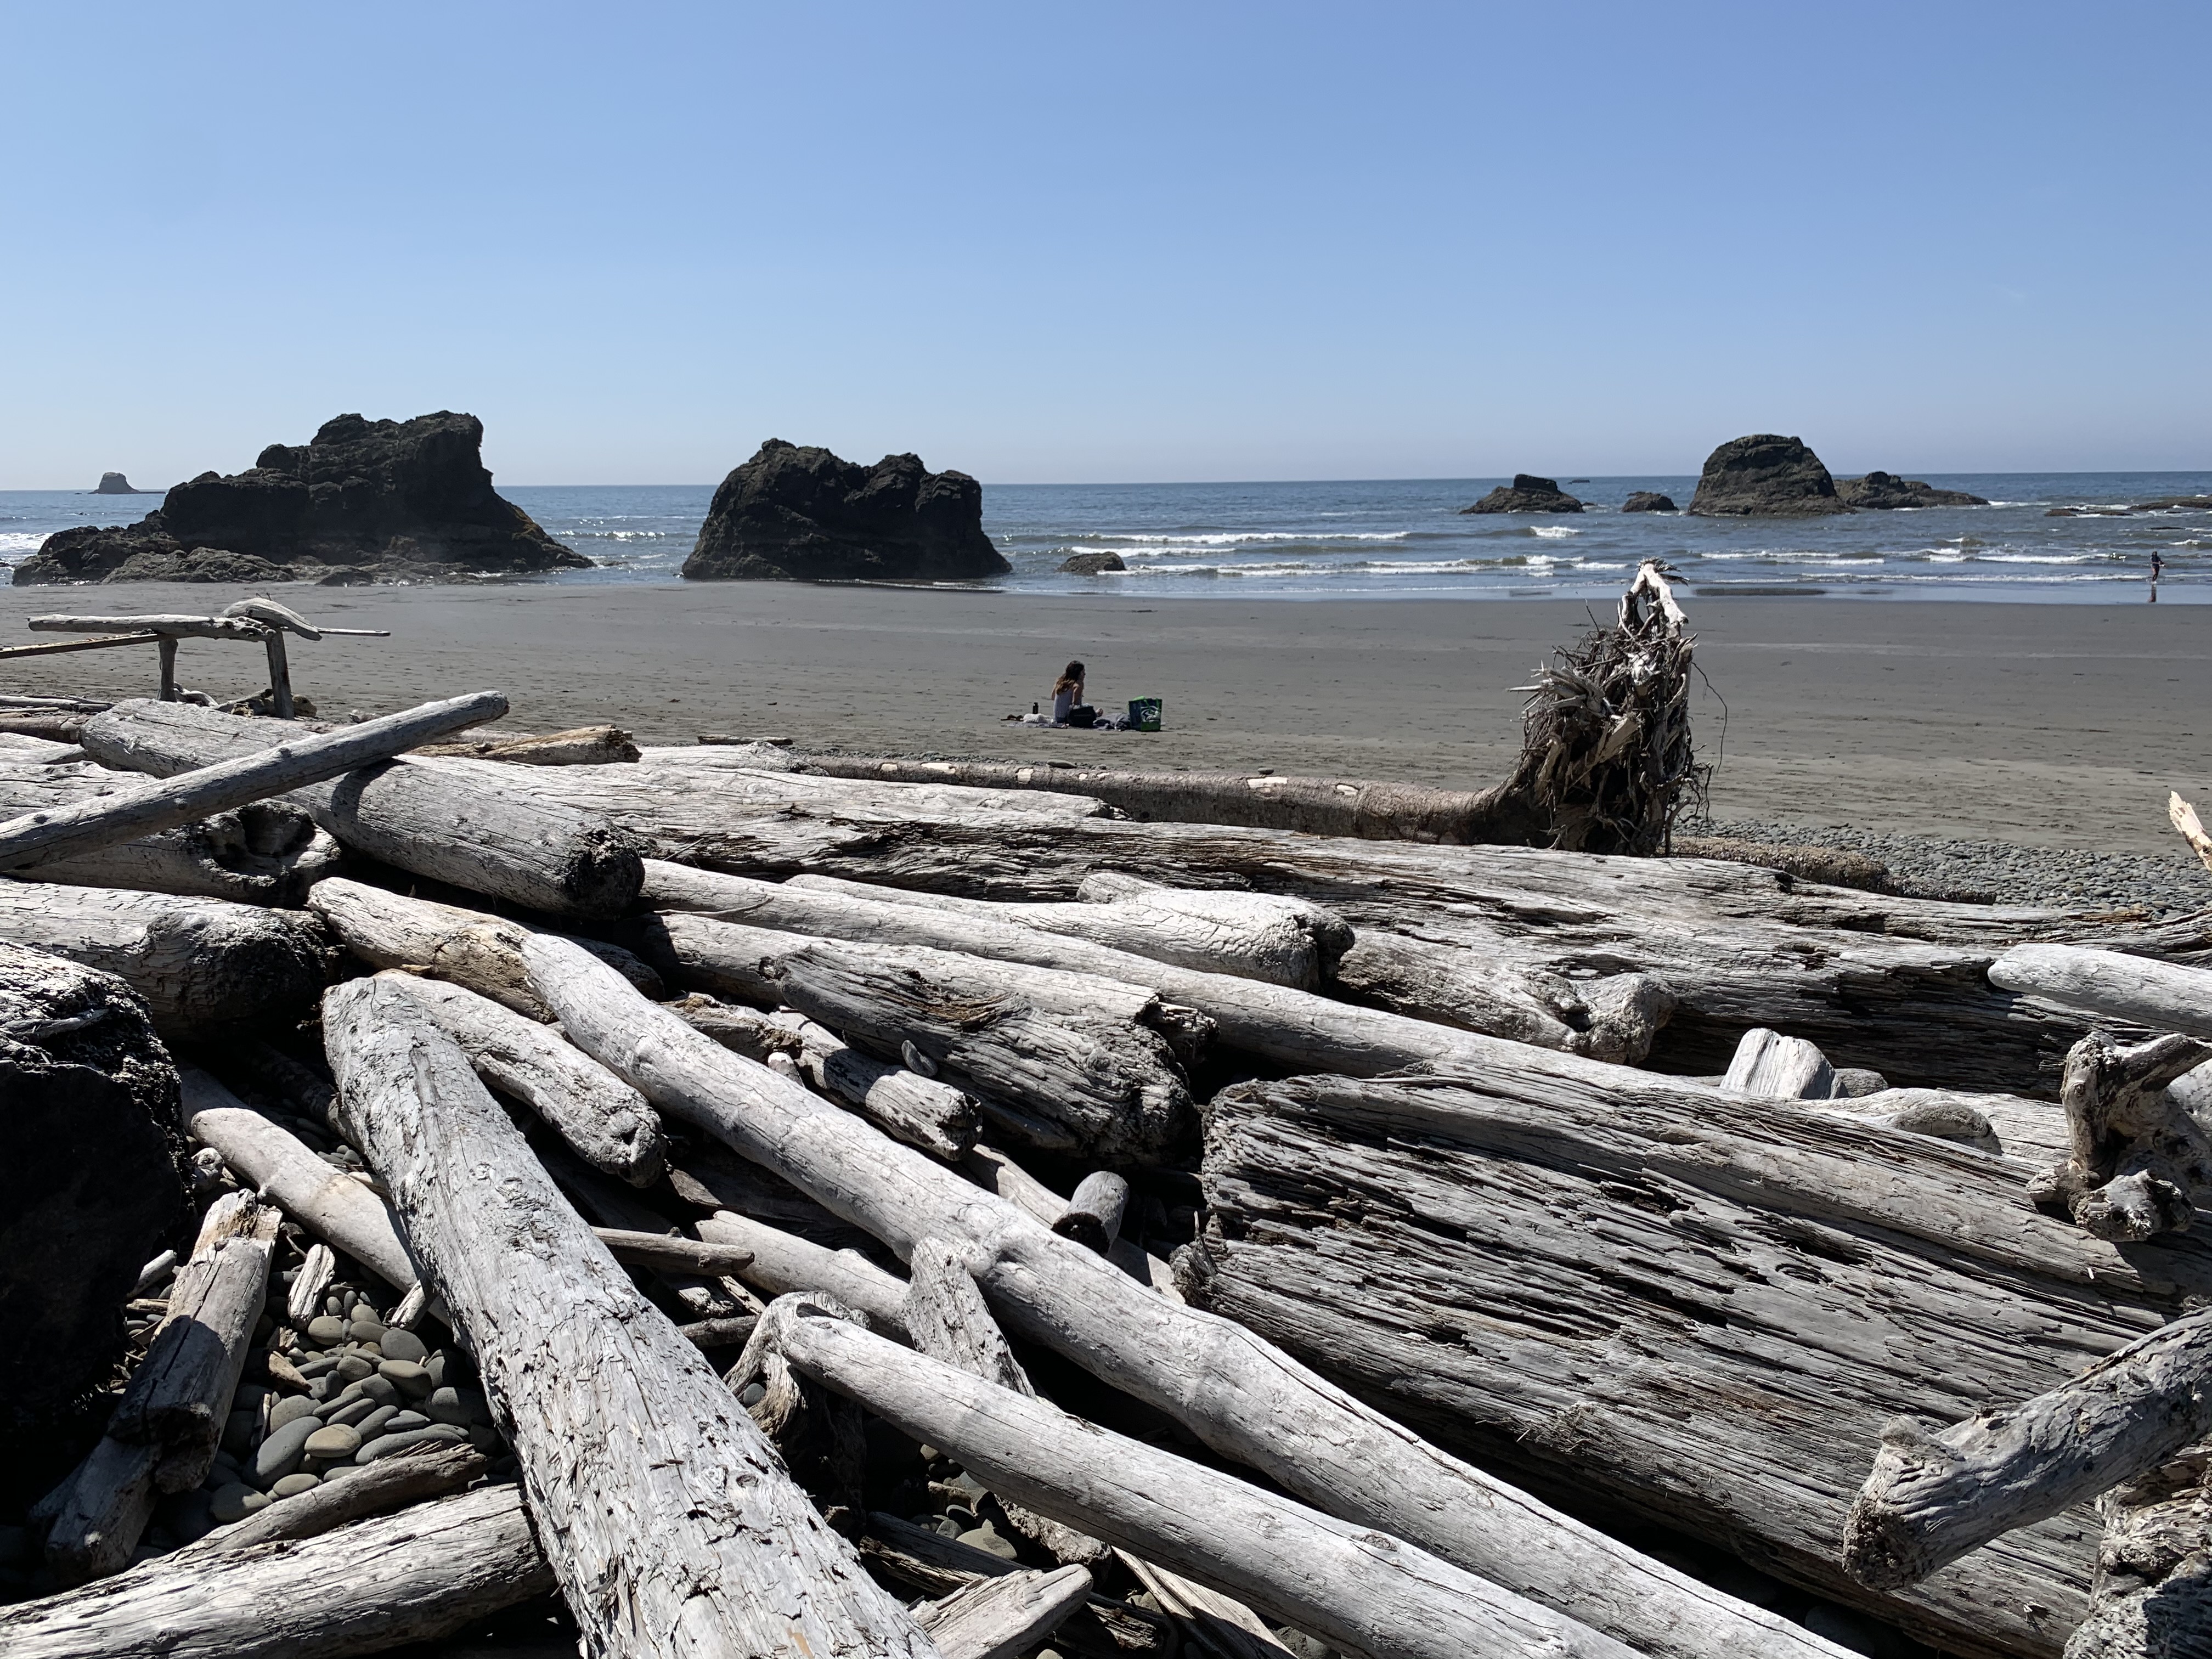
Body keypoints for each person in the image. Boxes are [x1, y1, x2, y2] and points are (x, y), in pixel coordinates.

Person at [1052, 659, 1086, 724]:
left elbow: (1053, 697)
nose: (1085, 674)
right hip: (1069, 719)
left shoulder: (1060, 682)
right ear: (1078, 674)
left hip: (1058, 718)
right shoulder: (1077, 685)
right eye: (1083, 672)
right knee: (1088, 707)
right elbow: (1075, 706)